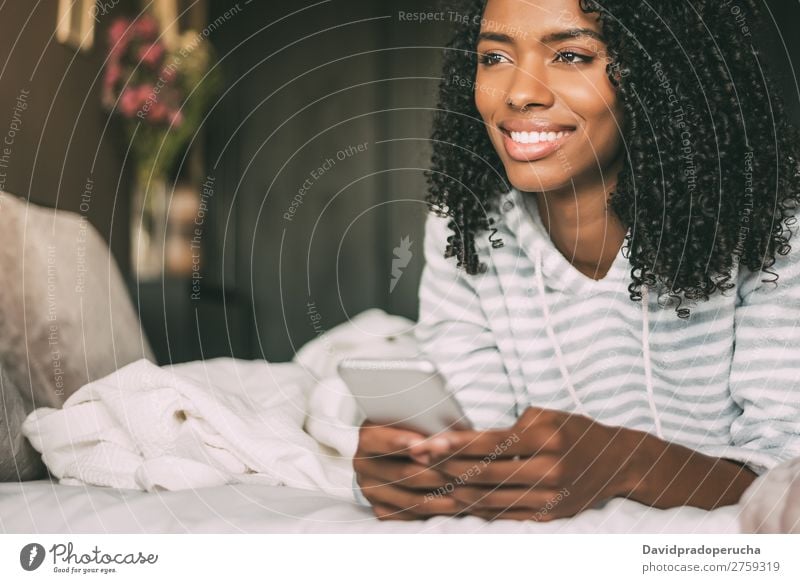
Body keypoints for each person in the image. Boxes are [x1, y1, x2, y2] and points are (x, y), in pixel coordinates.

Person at [354, 0, 800, 521]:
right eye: (494, 58)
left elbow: (787, 473)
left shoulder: (774, 230)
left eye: (569, 55)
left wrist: (624, 463)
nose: (520, 93)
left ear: (666, 74)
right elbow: (478, 439)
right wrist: (417, 466)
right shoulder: (467, 224)